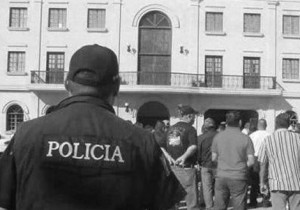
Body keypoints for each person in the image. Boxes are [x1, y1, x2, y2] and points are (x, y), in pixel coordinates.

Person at [0, 44, 185, 210]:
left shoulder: (27, 134)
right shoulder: (141, 141)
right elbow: (167, 203)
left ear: (66, 83)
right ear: (117, 86)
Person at [212, 111, 255, 210]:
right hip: (238, 175)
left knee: (219, 206)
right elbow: (251, 161)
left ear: (226, 122)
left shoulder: (218, 137)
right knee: (239, 205)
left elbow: (213, 158)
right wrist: (242, 166)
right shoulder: (246, 139)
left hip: (221, 175)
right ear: (240, 122)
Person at [258, 113, 300, 210]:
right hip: (296, 182)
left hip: (277, 183)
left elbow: (263, 163)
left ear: (276, 124)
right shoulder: (298, 138)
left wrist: (262, 182)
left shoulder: (268, 140)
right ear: (288, 124)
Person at [161, 105, 199, 210]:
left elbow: (160, 146)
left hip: (172, 168)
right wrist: (184, 156)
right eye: (194, 116)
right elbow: (193, 146)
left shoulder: (170, 129)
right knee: (192, 203)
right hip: (186, 168)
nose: (195, 118)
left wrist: (168, 157)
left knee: (173, 201)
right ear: (189, 116)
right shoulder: (191, 129)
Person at [248, 119, 271, 208]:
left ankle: (253, 202)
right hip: (266, 158)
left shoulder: (252, 135)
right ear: (266, 125)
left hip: (255, 158)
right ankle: (265, 201)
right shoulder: (269, 135)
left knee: (254, 181)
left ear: (258, 125)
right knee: (265, 180)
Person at [197, 118, 218, 210]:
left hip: (205, 165)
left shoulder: (200, 138)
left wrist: (198, 162)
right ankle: (219, 205)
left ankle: (209, 207)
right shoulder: (220, 136)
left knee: (207, 188)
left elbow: (198, 152)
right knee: (219, 187)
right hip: (219, 165)